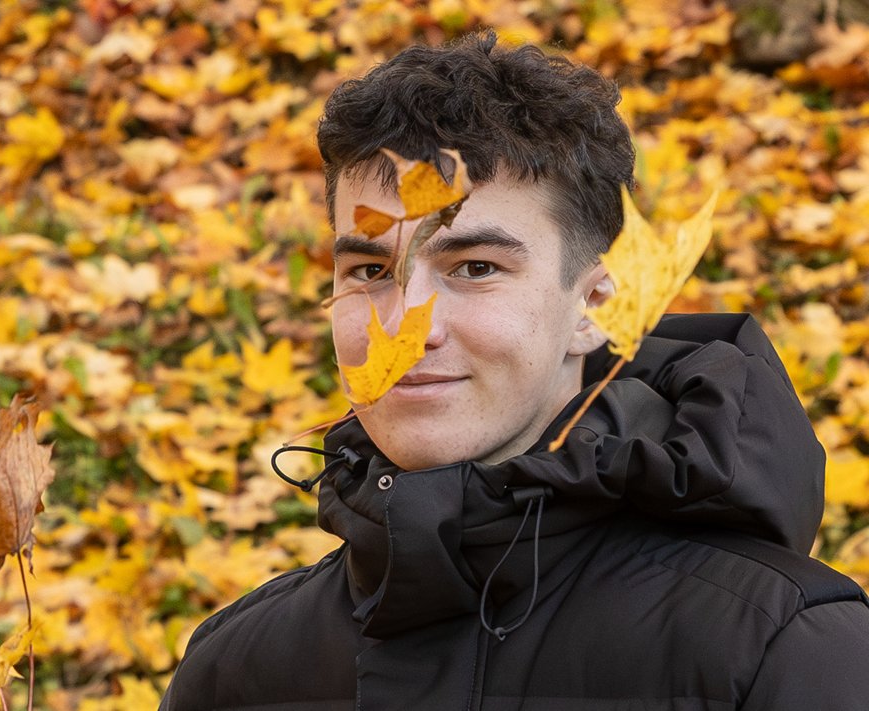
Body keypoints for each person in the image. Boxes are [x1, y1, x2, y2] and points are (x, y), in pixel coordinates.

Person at [159, 30, 869, 710]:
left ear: (592, 305)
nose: (408, 330)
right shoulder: (235, 673)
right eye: (371, 270)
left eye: (474, 268)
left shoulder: (786, 649)